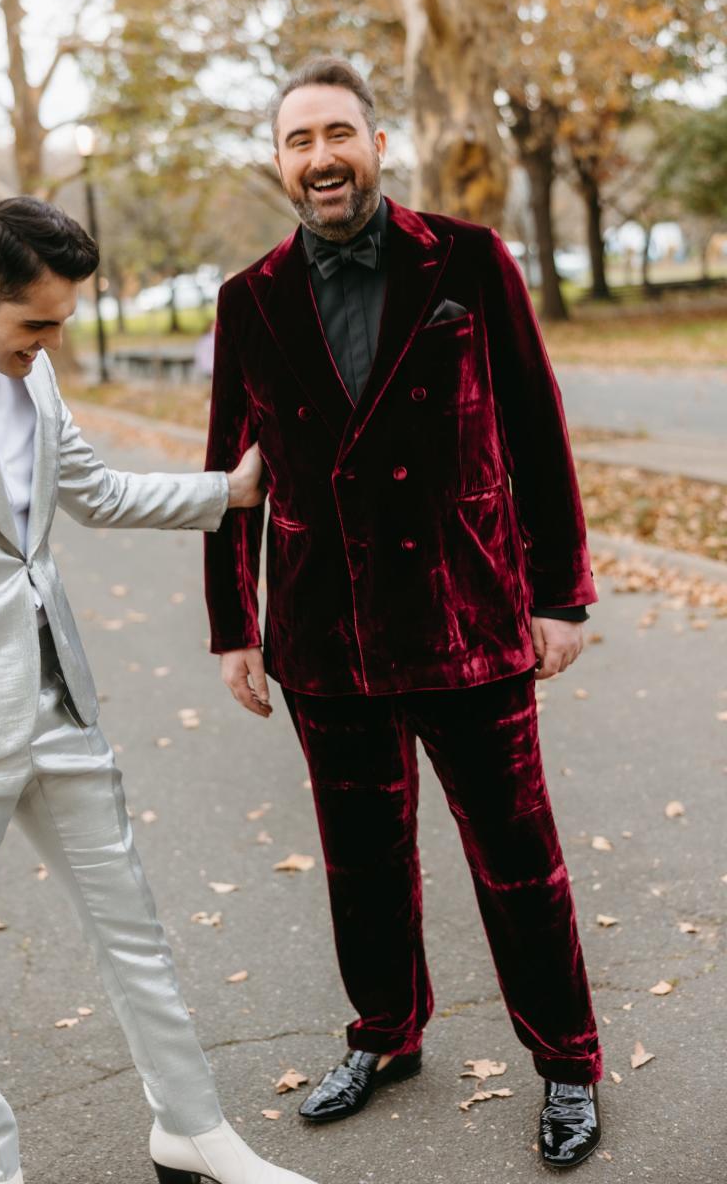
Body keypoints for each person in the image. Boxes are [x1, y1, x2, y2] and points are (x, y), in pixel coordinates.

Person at [0, 197, 317, 1184]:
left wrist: (228, 494)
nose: (50, 346)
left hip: (57, 699)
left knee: (135, 929)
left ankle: (192, 1130)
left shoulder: (30, 377)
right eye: (35, 325)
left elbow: (94, 492)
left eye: (63, 324)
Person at [204, 58, 603, 1170]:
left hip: (467, 616)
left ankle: (568, 1059)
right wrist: (234, 624)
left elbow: (536, 427)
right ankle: (385, 1037)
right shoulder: (249, 299)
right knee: (361, 863)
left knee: (519, 863)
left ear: (379, 145)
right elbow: (227, 469)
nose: (321, 157)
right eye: (299, 141)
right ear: (278, 163)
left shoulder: (469, 261)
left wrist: (558, 592)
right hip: (325, 637)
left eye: (339, 133)